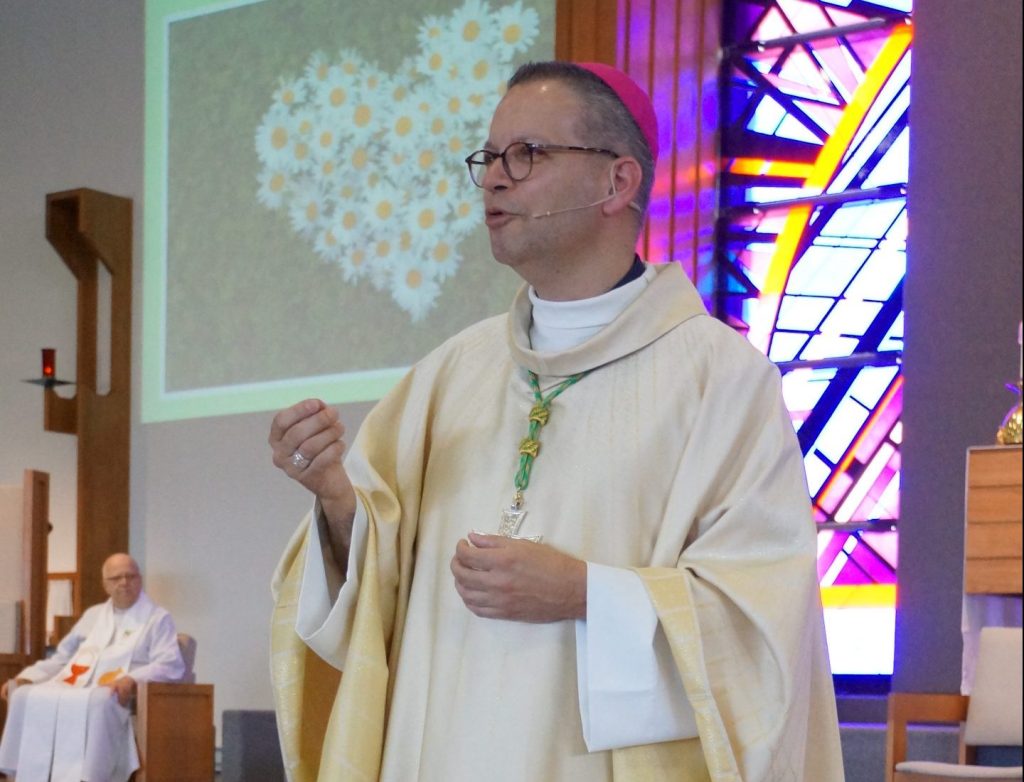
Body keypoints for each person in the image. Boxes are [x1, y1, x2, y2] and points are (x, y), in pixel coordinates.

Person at [268, 60, 844, 781]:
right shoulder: (449, 373)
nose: (494, 179)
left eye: (527, 154)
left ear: (617, 182)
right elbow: (380, 588)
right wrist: (336, 500)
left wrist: (584, 593)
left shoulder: (720, 381)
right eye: (489, 157)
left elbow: (760, 620)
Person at [0, 553, 185, 782]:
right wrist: (29, 676)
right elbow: (63, 657)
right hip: (77, 685)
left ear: (140, 579)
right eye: (116, 578)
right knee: (22, 694)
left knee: (101, 699)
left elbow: (169, 663)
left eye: (131, 576)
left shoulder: (157, 618)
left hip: (121, 692)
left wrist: (130, 679)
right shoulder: (93, 615)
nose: (124, 583)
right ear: (105, 585)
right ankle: (18, 771)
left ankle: (91, 776)